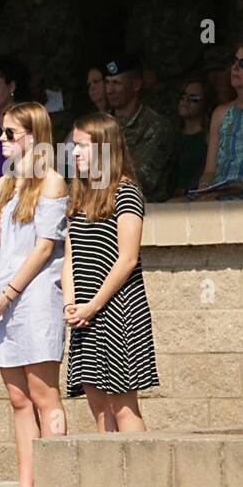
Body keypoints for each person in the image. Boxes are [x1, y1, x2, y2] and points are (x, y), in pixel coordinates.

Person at [0, 102, 68, 487]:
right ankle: (26, 486)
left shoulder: (51, 181)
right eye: (1, 134)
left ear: (34, 136)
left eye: (11, 134)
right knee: (16, 398)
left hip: (33, 298)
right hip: (2, 302)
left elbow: (45, 247)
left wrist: (8, 293)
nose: (3, 140)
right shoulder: (0, 187)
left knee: (44, 393)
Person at [63, 114, 158, 432]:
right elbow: (69, 256)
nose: (74, 153)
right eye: (73, 146)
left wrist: (94, 305)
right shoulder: (77, 196)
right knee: (99, 406)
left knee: (122, 406)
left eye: (82, 146)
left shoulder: (125, 192)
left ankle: (144, 482)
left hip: (117, 311)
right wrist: (70, 303)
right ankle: (110, 483)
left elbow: (128, 259)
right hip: (84, 314)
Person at [0, 0, 83, 110]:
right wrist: (26, 77)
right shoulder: (13, 7)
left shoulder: (65, 4)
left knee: (56, 134)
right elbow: (5, 50)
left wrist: (44, 76)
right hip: (22, 89)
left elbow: (73, 46)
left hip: (58, 89)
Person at [125, 0, 204, 121]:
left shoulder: (192, 2)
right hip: (146, 88)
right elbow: (132, 47)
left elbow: (196, 45)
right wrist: (141, 73)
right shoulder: (142, 7)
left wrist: (160, 73)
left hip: (179, 87)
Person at [103, 54, 175, 203]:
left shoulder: (157, 126)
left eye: (116, 83)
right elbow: (70, 165)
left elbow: (141, 177)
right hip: (101, 204)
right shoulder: (101, 124)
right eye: (107, 82)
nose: (110, 90)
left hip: (143, 209)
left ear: (136, 85)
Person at [193, 41, 243, 200]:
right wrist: (205, 187)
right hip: (218, 195)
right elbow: (209, 171)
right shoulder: (220, 113)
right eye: (234, 61)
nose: (235, 68)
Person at [170, 77, 213, 198]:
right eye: (182, 96)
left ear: (206, 102)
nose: (186, 100)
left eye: (194, 98)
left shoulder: (209, 137)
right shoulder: (171, 134)